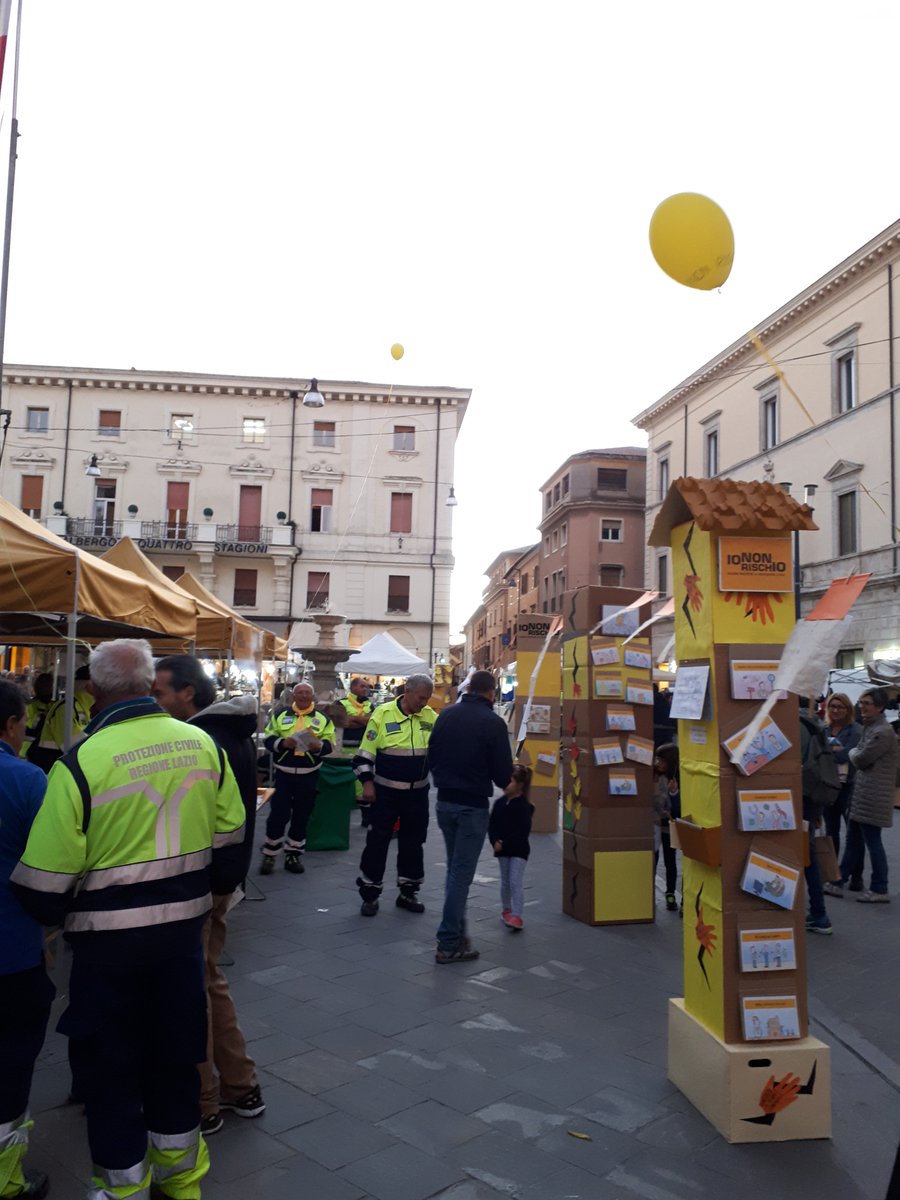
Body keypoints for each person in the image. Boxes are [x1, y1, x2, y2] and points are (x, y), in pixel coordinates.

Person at [11, 638, 246, 1200]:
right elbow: (231, 848)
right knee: (174, 1061)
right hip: (180, 944)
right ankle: (182, 1183)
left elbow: (43, 885)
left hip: (106, 954)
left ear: (92, 691)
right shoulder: (202, 744)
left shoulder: (81, 761)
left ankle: (120, 1190)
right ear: (149, 684)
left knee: (111, 1073)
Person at [153, 655, 265, 1136]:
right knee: (209, 981)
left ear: (188, 695)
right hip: (220, 880)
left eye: (160, 692)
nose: (153, 700)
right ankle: (240, 1086)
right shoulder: (229, 733)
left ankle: (204, 1100)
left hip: (202, 883)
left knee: (192, 990)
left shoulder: (203, 741)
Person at [0, 681, 53, 1200]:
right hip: (10, 951)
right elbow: (52, 862)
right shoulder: (25, 778)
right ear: (13, 726)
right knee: (11, 1061)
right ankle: (7, 1180)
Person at [428, 670, 513, 962]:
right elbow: (503, 776)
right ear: (491, 692)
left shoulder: (446, 715)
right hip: (472, 805)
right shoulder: (493, 723)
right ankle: (448, 942)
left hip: (445, 802)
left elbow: (432, 756)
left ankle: (458, 934)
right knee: (460, 876)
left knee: (455, 871)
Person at [354, 673, 436, 917]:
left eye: (428, 698)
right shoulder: (382, 714)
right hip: (385, 794)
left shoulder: (431, 717)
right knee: (377, 842)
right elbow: (363, 757)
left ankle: (408, 892)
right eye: (421, 697)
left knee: (414, 842)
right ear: (407, 691)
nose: (424, 702)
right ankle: (370, 895)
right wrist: (367, 784)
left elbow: (440, 751)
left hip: (417, 795)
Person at [827, 688, 897, 903]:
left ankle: (880, 888)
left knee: (872, 842)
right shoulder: (871, 728)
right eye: (861, 703)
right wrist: (852, 751)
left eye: (867, 703)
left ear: (880, 707)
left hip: (873, 795)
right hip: (864, 793)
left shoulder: (882, 732)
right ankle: (840, 881)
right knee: (854, 840)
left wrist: (849, 752)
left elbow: (859, 757)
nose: (862, 707)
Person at [260, 682, 335, 876]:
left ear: (312, 697)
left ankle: (293, 854)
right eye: (299, 693)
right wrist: (282, 743)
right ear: (293, 696)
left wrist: (320, 747)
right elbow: (268, 738)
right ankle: (269, 854)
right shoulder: (280, 715)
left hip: (308, 776)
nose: (303, 696)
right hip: (283, 774)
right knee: (278, 815)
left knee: (302, 816)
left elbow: (331, 743)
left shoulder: (322, 718)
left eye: (307, 693)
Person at [799, 698, 833, 935]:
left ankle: (820, 914)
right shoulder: (814, 722)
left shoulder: (794, 724)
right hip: (811, 798)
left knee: (805, 855)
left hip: (797, 797)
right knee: (807, 854)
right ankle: (818, 912)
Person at [488, 763, 533, 932]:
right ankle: (506, 909)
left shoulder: (524, 807)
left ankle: (517, 914)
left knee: (515, 880)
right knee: (505, 881)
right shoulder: (500, 803)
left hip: (519, 850)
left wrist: (503, 843)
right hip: (502, 850)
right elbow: (492, 825)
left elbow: (521, 831)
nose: (507, 784)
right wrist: (494, 841)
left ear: (520, 785)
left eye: (511, 781)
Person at [26, 665, 94, 773]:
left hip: (63, 765)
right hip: (52, 767)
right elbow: (72, 746)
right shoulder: (66, 708)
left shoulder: (84, 707)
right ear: (88, 686)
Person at [821, 692, 861, 859]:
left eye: (840, 707)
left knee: (853, 833)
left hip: (848, 786)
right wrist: (834, 751)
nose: (835, 710)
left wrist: (829, 752)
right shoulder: (823, 729)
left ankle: (855, 876)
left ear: (848, 709)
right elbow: (819, 755)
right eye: (832, 706)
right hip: (828, 785)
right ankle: (833, 872)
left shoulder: (855, 730)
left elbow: (847, 755)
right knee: (831, 832)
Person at [653, 743, 680, 912]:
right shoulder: (653, 776)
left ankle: (670, 893)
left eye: (662, 760)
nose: (658, 763)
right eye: (657, 759)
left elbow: (678, 808)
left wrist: (673, 793)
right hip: (654, 825)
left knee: (671, 861)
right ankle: (648, 892)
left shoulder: (677, 780)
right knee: (653, 860)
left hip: (670, 826)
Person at [21, 672, 54, 760]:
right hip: (27, 750)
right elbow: (27, 729)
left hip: (45, 751)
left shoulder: (53, 706)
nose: (50, 688)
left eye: (50, 685)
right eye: (46, 685)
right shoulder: (31, 706)